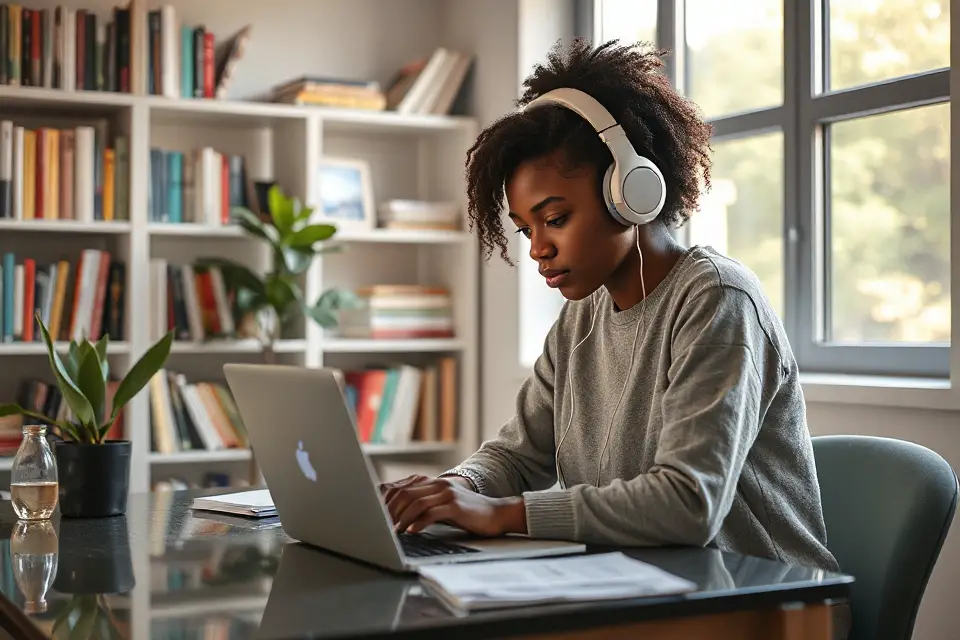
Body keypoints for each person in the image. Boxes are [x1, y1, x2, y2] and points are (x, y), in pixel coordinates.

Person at [380, 38, 840, 578]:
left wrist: (503, 514)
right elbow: (519, 453)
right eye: (527, 229)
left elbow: (689, 503)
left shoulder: (717, 300)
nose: (538, 248)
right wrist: (456, 488)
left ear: (630, 192)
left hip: (762, 601)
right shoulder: (580, 317)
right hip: (638, 584)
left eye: (555, 218)